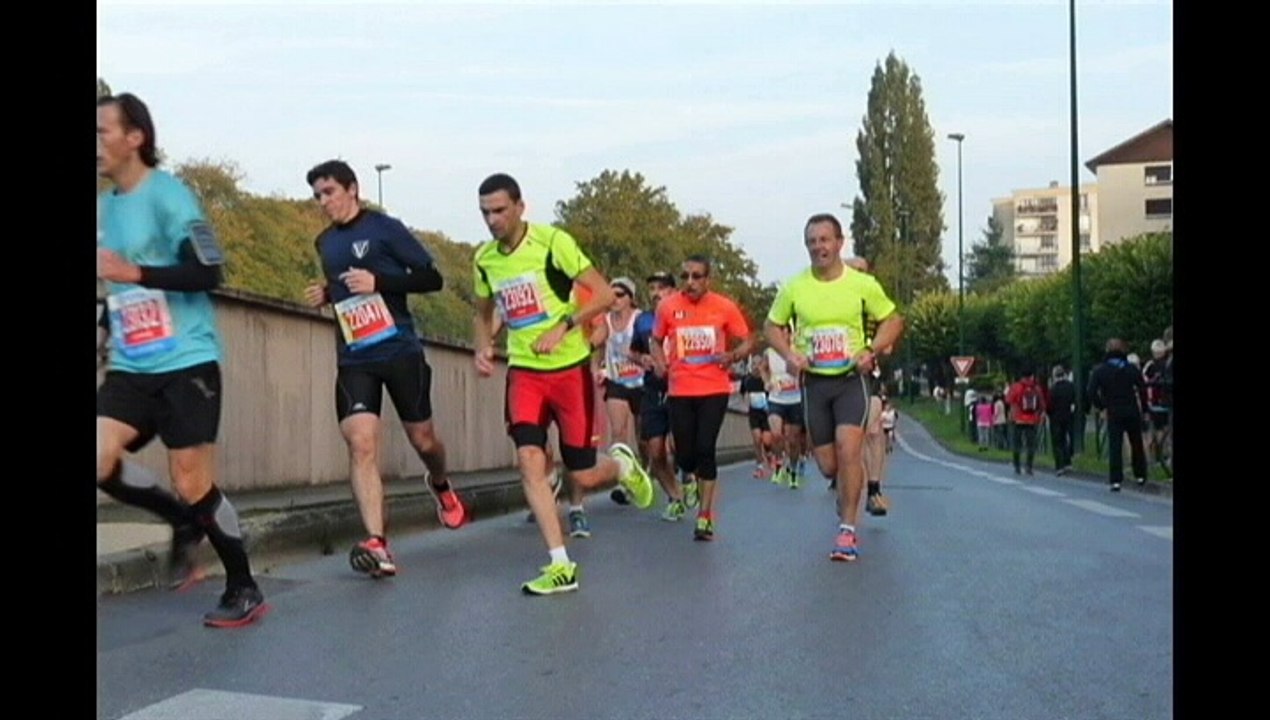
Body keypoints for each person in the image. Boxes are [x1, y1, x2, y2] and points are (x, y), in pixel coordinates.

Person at [96, 92, 268, 627]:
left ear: (135, 137)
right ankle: (180, 520)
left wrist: (137, 274)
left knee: (192, 478)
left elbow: (208, 274)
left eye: (102, 131)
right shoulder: (104, 208)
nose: (95, 143)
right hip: (131, 364)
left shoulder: (172, 198)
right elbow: (117, 289)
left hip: (187, 362)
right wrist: (105, 325)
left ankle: (244, 586)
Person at [471, 173, 654, 595]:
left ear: (520, 206)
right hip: (524, 372)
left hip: (569, 369)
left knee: (584, 474)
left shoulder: (554, 243)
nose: (492, 220)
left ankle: (622, 465)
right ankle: (560, 564)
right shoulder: (485, 259)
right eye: (485, 213)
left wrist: (564, 326)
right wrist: (482, 345)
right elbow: (482, 312)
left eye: (499, 210)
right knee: (529, 460)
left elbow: (605, 295)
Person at [302, 160, 468, 580]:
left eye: (329, 192)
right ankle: (377, 543)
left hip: (398, 350)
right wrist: (329, 291)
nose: (324, 202)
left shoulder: (385, 228)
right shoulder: (324, 243)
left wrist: (380, 283)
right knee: (360, 444)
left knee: (423, 439)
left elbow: (431, 280)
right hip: (355, 356)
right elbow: (345, 286)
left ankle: (441, 483)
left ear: (352, 188)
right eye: (318, 195)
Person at [764, 213, 904, 562]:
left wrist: (870, 351)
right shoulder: (795, 287)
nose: (818, 247)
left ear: (839, 243)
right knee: (828, 465)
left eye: (824, 240)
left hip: (849, 380)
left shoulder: (861, 285)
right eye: (812, 241)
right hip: (814, 382)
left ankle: (847, 531)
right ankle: (847, 492)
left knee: (849, 448)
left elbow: (893, 318)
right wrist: (789, 353)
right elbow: (770, 326)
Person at [650, 255, 755, 541]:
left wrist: (732, 355)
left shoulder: (723, 306)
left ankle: (705, 517)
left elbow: (748, 339)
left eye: (697, 277)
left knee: (705, 448)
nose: (690, 283)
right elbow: (655, 340)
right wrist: (659, 362)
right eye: (685, 276)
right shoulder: (668, 307)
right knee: (684, 454)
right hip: (680, 388)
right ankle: (690, 477)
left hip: (714, 389)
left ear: (708, 280)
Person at [629, 271, 689, 521]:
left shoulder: (685, 315)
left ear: (673, 291)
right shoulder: (643, 320)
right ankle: (675, 497)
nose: (655, 293)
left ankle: (690, 477)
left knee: (679, 444)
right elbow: (633, 350)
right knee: (655, 451)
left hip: (681, 386)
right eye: (652, 288)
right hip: (653, 388)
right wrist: (641, 358)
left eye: (661, 288)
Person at [1086, 338, 1150, 492]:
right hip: (1131, 410)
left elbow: (1091, 391)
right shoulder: (1130, 368)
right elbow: (1142, 388)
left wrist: (1102, 407)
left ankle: (1116, 480)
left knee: (1115, 445)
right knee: (1136, 442)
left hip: (1113, 411)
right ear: (1123, 351)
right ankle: (1140, 475)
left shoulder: (1100, 370)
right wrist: (1145, 409)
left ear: (1107, 350)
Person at [761, 325, 807, 488]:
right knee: (776, 435)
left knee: (793, 441)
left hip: (794, 399)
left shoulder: (797, 351)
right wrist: (767, 381)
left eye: (786, 332)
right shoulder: (770, 352)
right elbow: (763, 368)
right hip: (776, 399)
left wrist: (800, 368)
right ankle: (779, 464)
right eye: (780, 332)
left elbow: (806, 368)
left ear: (791, 334)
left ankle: (793, 470)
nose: (783, 335)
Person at [1005, 369, 1046, 475]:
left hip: (1017, 419)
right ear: (1032, 375)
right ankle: (1029, 467)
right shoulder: (1036, 388)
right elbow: (1042, 404)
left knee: (1017, 444)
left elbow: (1008, 400)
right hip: (1032, 420)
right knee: (1030, 445)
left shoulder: (1015, 387)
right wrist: (1040, 414)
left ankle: (1017, 466)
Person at [741, 358, 774, 479]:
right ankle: (759, 466)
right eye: (754, 364)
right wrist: (746, 405)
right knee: (756, 439)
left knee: (766, 440)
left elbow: (770, 390)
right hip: (753, 413)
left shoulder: (766, 378)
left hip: (765, 413)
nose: (756, 366)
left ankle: (769, 453)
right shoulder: (747, 379)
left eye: (758, 364)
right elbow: (743, 393)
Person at [1142, 339, 1172, 468]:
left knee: (1155, 429)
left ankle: (1155, 457)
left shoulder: (1150, 365)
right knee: (1164, 428)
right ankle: (1163, 455)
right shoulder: (1166, 364)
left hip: (1156, 401)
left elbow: (1144, 381)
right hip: (1164, 401)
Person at [1047, 365, 1077, 475]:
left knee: (1057, 441)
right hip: (1068, 415)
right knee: (1067, 439)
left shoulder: (1053, 389)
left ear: (1055, 375)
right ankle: (1068, 462)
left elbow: (1049, 405)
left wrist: (1049, 413)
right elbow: (1074, 401)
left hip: (1056, 417)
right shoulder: (1070, 386)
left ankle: (1059, 466)